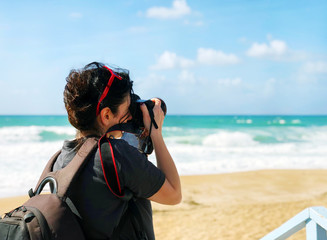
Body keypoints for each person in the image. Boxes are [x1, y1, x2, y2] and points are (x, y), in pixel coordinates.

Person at [53, 62, 181, 239]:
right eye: (128, 107)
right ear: (106, 115)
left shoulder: (59, 159)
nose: (131, 113)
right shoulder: (118, 155)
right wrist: (155, 133)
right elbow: (174, 194)